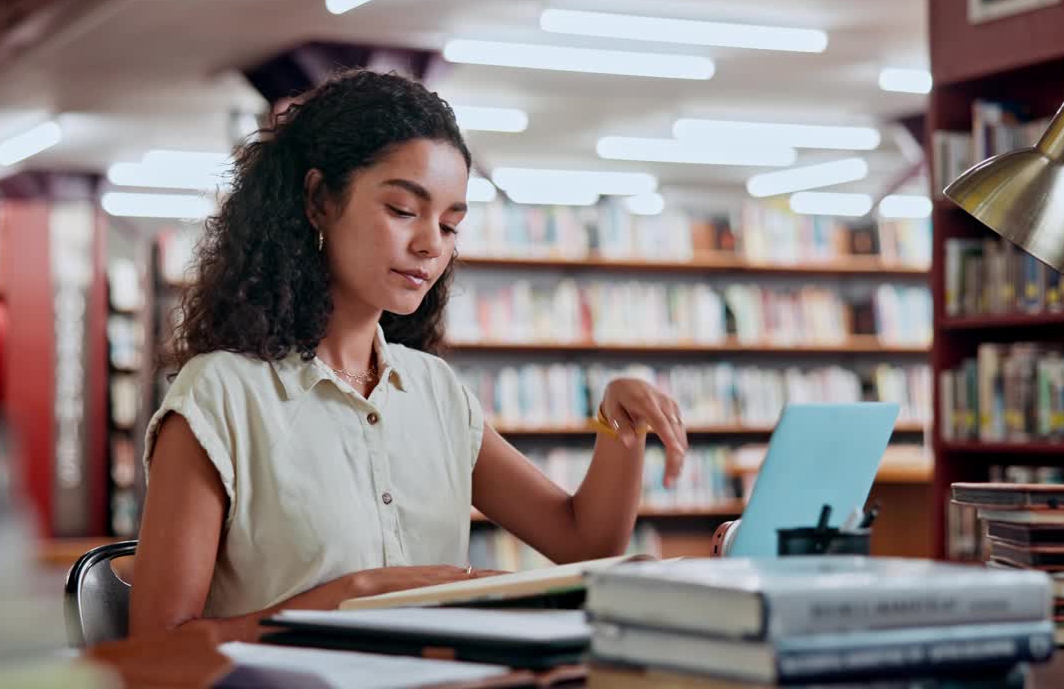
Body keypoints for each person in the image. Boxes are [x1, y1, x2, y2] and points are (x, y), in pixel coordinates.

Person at [129, 69, 690, 641]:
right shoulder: (220, 395)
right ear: (319, 199)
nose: (430, 244)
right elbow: (155, 645)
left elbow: (584, 542)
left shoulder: (435, 392)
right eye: (403, 210)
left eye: (450, 225)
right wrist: (347, 599)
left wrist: (618, 422)